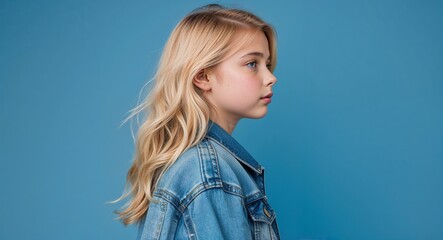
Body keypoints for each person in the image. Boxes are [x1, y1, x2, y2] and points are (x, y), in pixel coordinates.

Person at [116, 4, 280, 239]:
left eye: (267, 63)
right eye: (252, 64)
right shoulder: (208, 172)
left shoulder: (199, 164)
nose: (271, 77)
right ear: (203, 76)